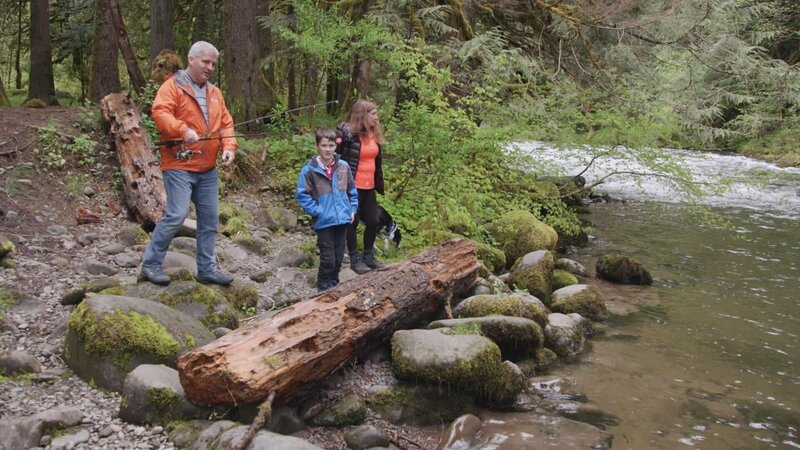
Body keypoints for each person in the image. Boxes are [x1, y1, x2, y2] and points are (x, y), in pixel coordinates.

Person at [139, 41, 237, 286]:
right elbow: (160, 112)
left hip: (208, 169)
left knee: (210, 220)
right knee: (176, 215)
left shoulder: (215, 93)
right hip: (179, 166)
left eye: (213, 63)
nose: (210, 67)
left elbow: (226, 124)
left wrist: (228, 147)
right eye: (206, 62)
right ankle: (150, 265)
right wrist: (182, 130)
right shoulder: (172, 86)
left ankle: (206, 269)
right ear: (191, 60)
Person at [296, 128, 359, 291]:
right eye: (324, 145)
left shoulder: (343, 166)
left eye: (331, 145)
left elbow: (352, 190)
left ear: (335, 146)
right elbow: (302, 195)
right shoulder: (309, 170)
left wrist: (352, 209)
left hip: (342, 219)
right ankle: (323, 286)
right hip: (324, 221)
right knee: (328, 259)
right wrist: (318, 211)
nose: (328, 149)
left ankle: (334, 284)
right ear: (318, 146)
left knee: (338, 259)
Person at [336, 100, 386, 274]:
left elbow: (376, 162)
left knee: (373, 221)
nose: (376, 117)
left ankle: (369, 256)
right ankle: (354, 258)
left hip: (369, 186)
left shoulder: (374, 134)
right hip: (352, 186)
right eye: (373, 114)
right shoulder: (347, 135)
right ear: (363, 115)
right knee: (352, 221)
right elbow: (335, 158)